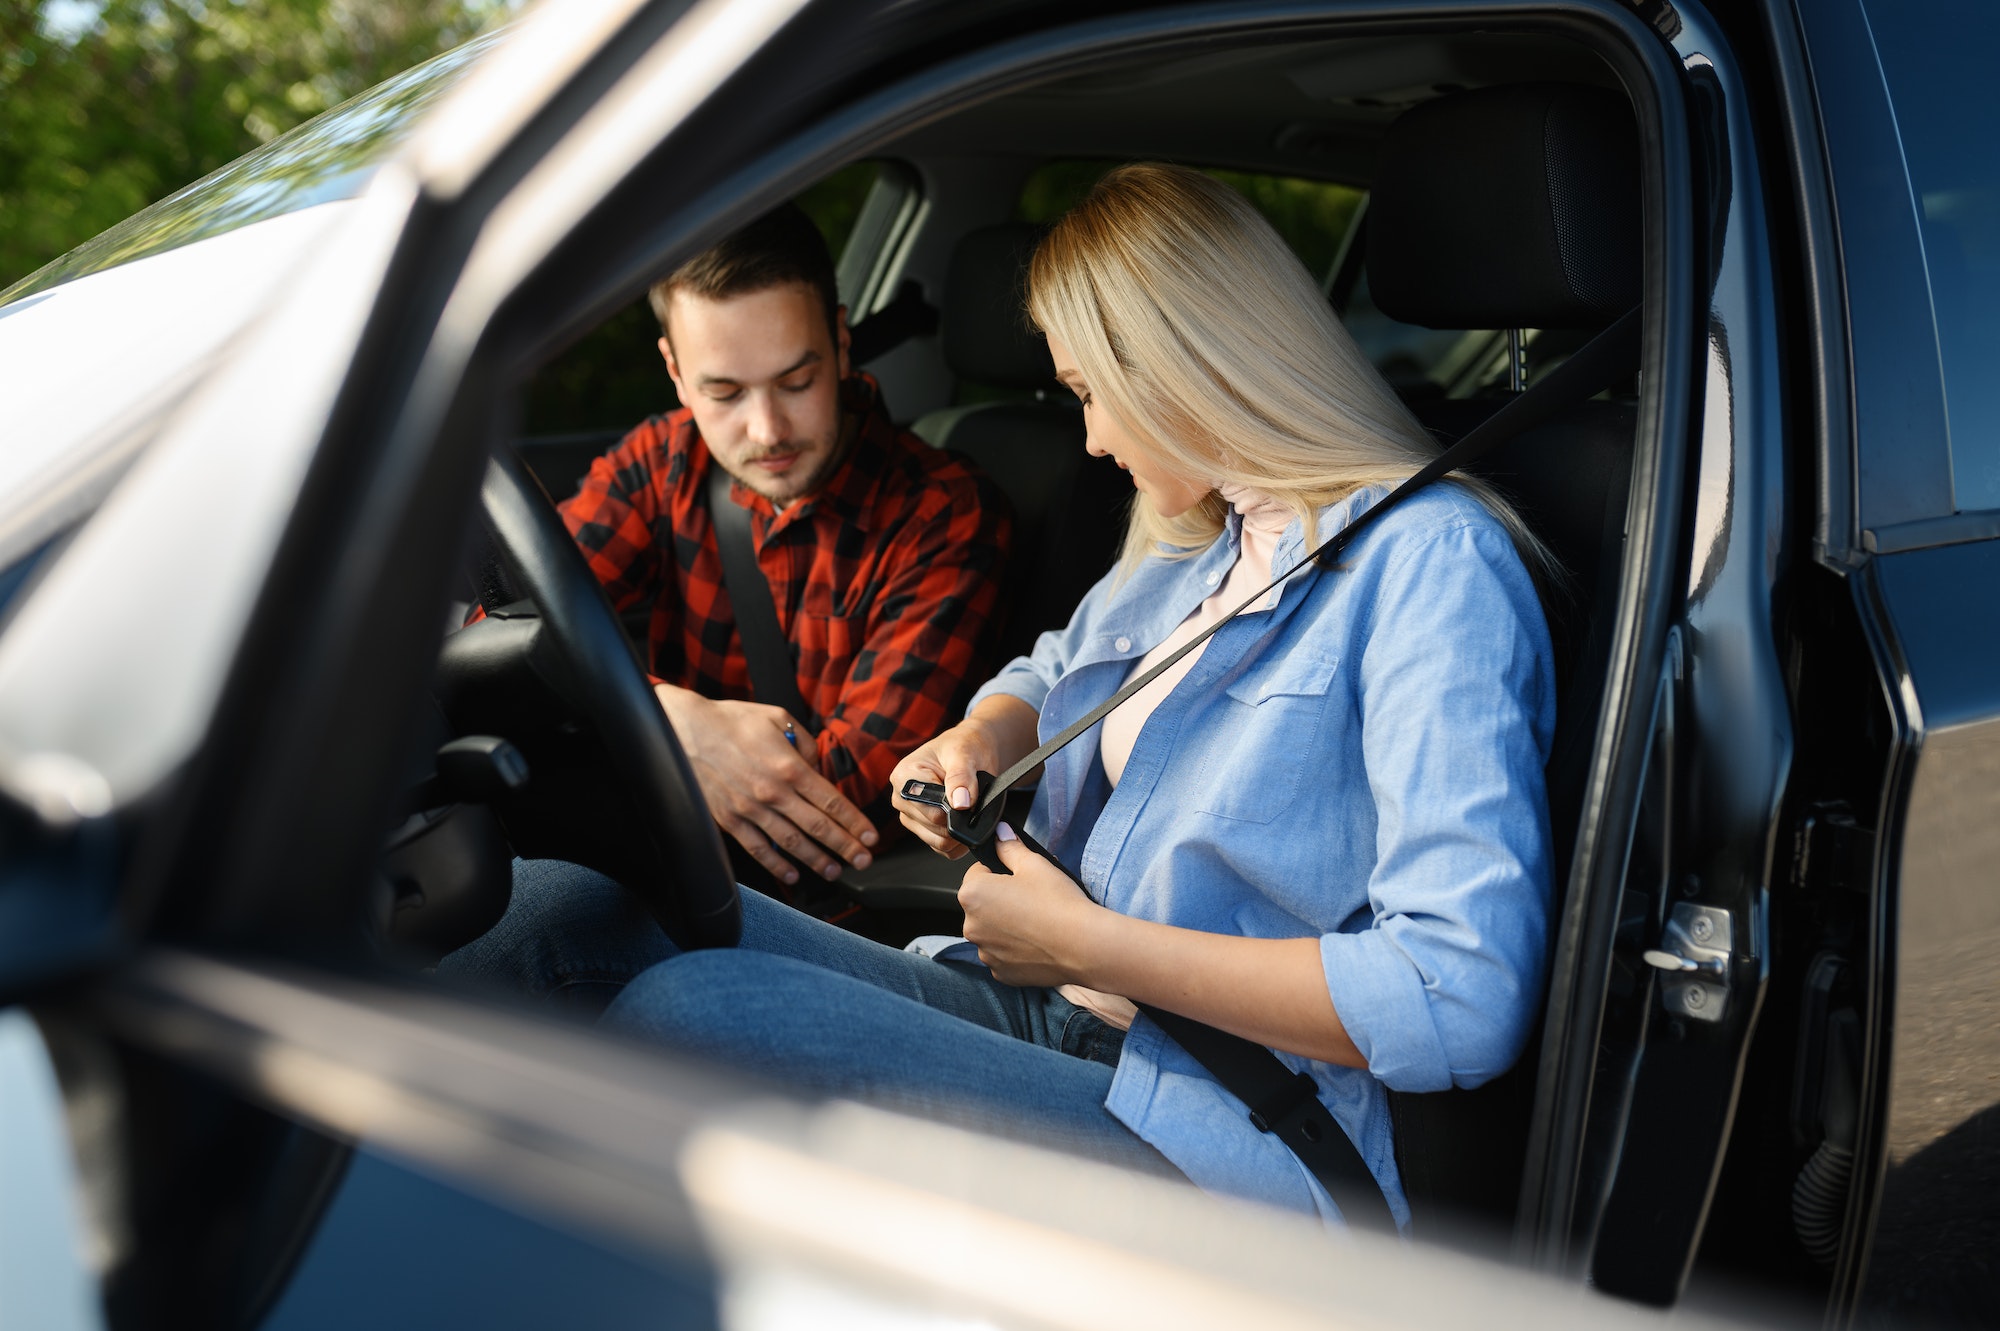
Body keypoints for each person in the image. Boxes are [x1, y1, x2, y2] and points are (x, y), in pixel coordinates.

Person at [453, 165, 1555, 1226]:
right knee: (555, 907)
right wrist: (981, 734)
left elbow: (1457, 991)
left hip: (1233, 1116)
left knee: (683, 1017)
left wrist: (1088, 945)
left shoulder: (1428, 561)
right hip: (1061, 1006)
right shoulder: (1193, 538)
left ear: (1182, 364)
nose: (1091, 437)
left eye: (1091, 393)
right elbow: (1044, 668)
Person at [545, 204, 1012, 898]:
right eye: (725, 392)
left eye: (797, 382)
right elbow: (508, 628)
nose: (767, 429)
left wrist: (620, 727)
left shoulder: (942, 511)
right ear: (675, 371)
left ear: (842, 345)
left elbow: (845, 800)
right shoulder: (657, 462)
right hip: (665, 863)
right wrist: (674, 723)